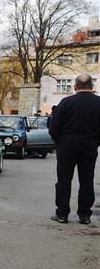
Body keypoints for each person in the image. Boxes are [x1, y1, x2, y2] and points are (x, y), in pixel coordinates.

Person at [48, 74, 100, 224]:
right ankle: (84, 215)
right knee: (86, 180)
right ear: (92, 87)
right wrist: (95, 142)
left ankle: (62, 214)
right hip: (89, 146)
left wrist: (59, 142)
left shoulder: (66, 102)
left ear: (75, 87)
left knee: (64, 180)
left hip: (67, 146)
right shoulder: (98, 103)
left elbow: (54, 127)